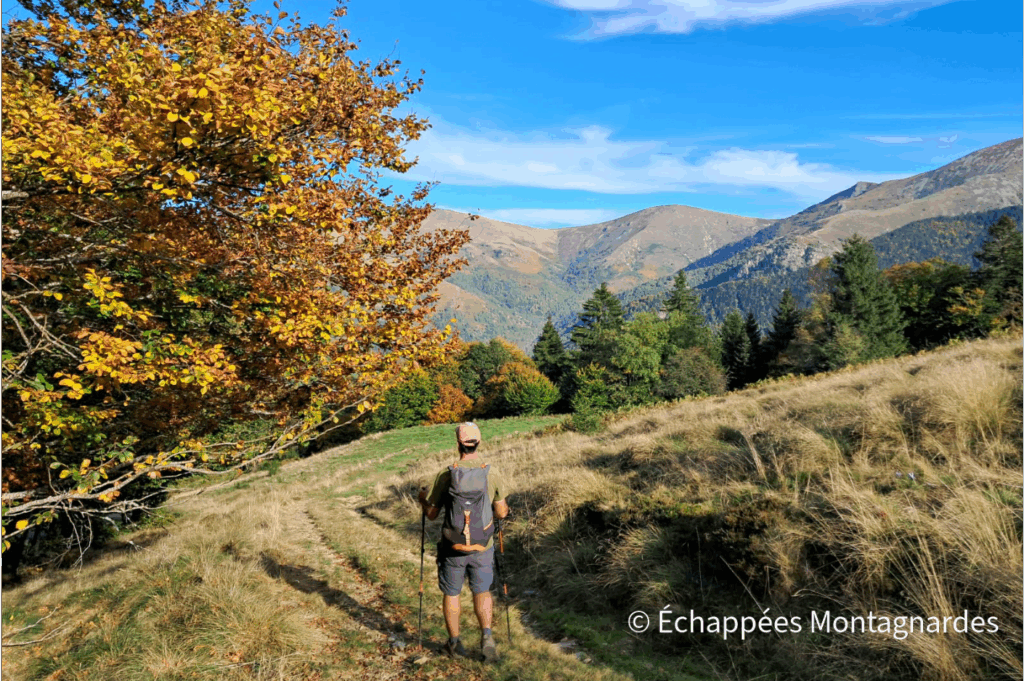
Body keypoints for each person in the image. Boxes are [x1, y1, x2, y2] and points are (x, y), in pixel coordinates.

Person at [418, 422, 509, 662]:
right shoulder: (491, 472)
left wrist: (421, 500)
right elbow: (501, 513)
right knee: (482, 591)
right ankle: (487, 638)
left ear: (458, 444)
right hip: (483, 546)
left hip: (452, 548)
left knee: (452, 593)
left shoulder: (447, 474)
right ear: (479, 442)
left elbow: (432, 515)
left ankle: (455, 644)